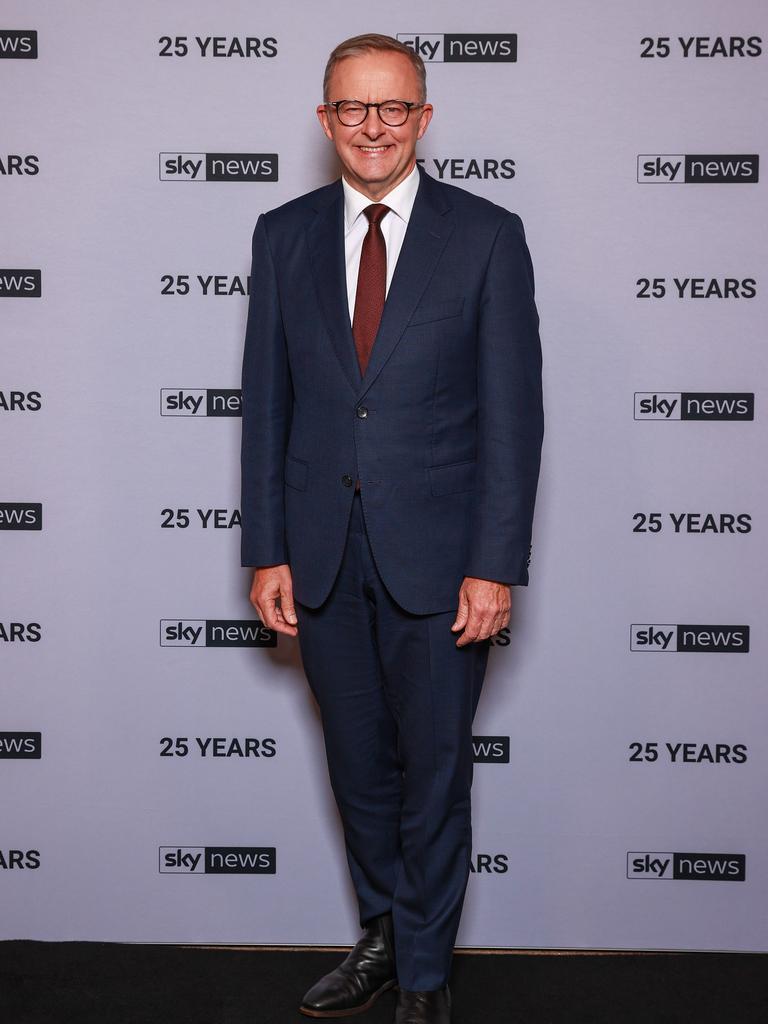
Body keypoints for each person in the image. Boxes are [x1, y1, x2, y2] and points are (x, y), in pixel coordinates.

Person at [240, 33, 544, 1024]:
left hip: (443, 562)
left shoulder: (488, 234)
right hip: (322, 554)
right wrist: (268, 548)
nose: (374, 127)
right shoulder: (281, 234)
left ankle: (422, 972)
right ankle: (379, 930)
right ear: (324, 119)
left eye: (394, 108)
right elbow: (268, 405)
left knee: (437, 770)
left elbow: (514, 415)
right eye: (353, 109)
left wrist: (496, 564)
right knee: (359, 767)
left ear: (425, 116)